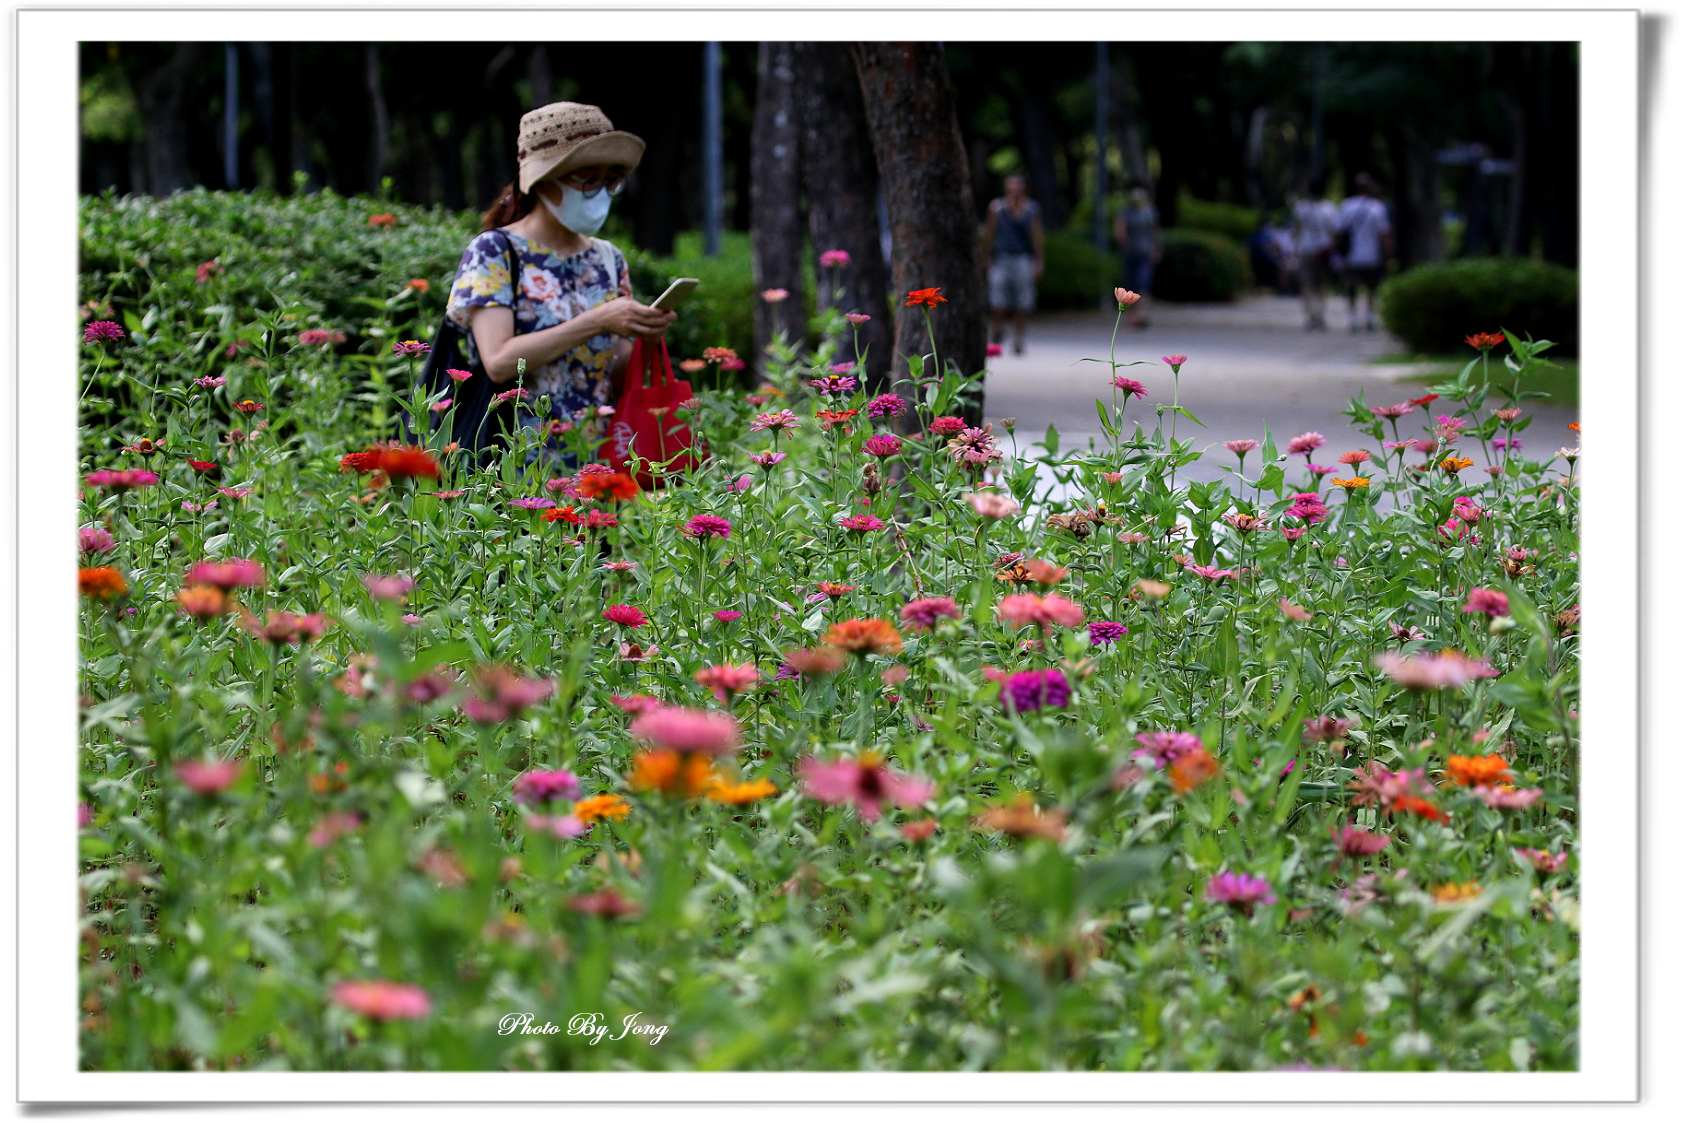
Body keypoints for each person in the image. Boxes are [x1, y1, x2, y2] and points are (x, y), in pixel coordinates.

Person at [445, 101, 675, 465]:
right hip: (511, 463)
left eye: (610, 179)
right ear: (543, 179)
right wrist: (597, 320)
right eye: (587, 178)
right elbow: (499, 361)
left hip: (596, 464)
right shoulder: (495, 250)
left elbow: (611, 372)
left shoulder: (608, 259)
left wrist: (643, 332)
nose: (600, 191)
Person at [981, 174, 1044, 354]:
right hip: (1001, 257)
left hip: (1022, 258)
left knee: (1023, 301)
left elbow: (1037, 236)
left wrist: (1039, 261)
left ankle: (1018, 337)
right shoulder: (997, 208)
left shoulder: (1031, 209)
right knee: (997, 297)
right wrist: (986, 258)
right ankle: (998, 327)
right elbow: (989, 233)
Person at [1337, 171, 1395, 332]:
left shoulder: (1346, 205)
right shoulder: (1377, 208)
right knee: (1372, 288)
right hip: (1372, 255)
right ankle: (1369, 317)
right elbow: (1384, 235)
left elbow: (1339, 231)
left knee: (1351, 287)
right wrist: (1388, 255)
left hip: (1351, 255)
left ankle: (1353, 318)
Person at [1290, 173, 1339, 331]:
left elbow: (1296, 231)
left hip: (1306, 249)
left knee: (1307, 284)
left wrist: (1294, 251)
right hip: (1324, 250)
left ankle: (1310, 315)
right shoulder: (1329, 208)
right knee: (1322, 284)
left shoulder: (1300, 207)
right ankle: (1320, 314)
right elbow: (1334, 231)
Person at [1114, 185, 1162, 329]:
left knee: (1143, 283)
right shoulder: (1124, 212)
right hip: (1129, 253)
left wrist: (1157, 249)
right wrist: (1122, 240)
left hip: (1145, 253)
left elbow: (1155, 232)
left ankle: (1141, 314)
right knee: (1131, 285)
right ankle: (1131, 315)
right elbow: (1119, 231)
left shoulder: (1150, 212)